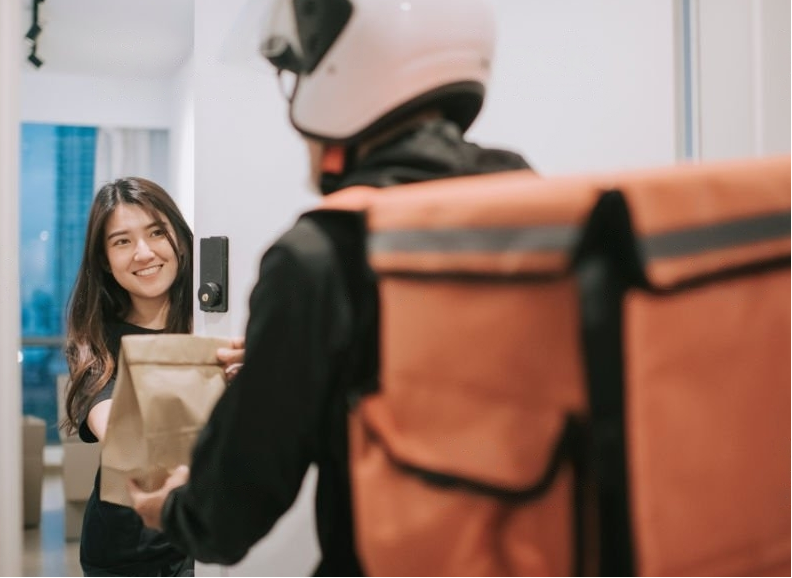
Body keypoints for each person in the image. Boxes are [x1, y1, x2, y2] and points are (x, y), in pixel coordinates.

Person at [127, 1, 533, 576]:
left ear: (346, 72)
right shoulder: (535, 207)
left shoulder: (319, 256)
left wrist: (170, 508)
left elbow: (229, 515)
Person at [62, 176, 201, 577]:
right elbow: (119, 432)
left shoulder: (216, 322)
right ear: (105, 259)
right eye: (122, 241)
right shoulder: (95, 342)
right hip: (125, 552)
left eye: (157, 232)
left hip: (208, 541)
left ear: (179, 236)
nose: (144, 253)